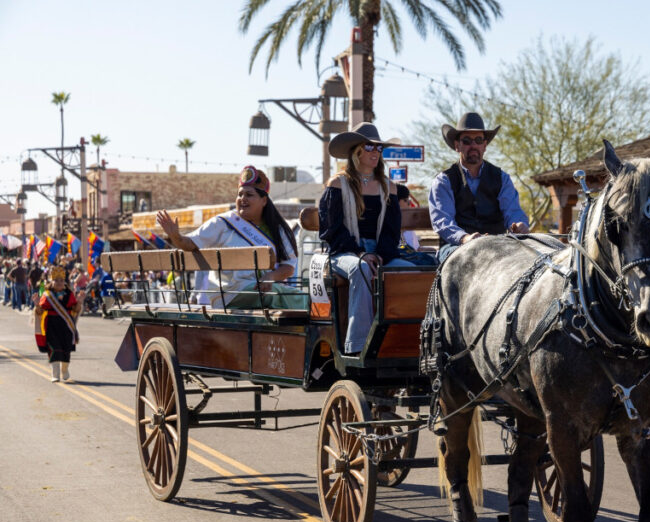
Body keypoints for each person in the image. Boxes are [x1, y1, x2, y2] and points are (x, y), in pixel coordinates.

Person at [318, 122, 416, 355]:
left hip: (382, 253)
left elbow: (391, 233)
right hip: (343, 254)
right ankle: (358, 346)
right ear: (357, 151)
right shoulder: (337, 184)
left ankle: (407, 341)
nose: (376, 152)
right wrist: (362, 253)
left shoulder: (388, 187)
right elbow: (331, 231)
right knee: (361, 268)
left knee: (410, 271)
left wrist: (379, 254)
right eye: (370, 146)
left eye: (379, 148)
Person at [157, 166, 302, 309]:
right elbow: (190, 243)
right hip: (229, 293)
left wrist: (270, 277)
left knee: (300, 297)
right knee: (290, 297)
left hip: (261, 291)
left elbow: (288, 266)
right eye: (240, 194)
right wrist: (176, 236)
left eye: (249, 195)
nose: (242, 199)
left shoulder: (277, 229)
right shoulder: (224, 223)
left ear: (264, 201)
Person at [428, 112, 529, 263]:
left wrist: (520, 225)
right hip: (455, 248)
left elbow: (513, 211)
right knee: (469, 259)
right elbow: (443, 222)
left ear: (485, 145)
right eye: (467, 141)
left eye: (478, 140)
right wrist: (465, 238)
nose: (473, 145)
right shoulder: (444, 181)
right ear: (457, 146)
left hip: (496, 246)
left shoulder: (502, 178)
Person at [33, 266, 81, 382]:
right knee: (54, 349)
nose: (59, 282)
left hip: (66, 326)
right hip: (52, 325)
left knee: (66, 350)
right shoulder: (47, 295)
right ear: (51, 281)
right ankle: (55, 374)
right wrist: (36, 304)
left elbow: (75, 309)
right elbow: (40, 312)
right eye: (56, 280)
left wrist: (80, 301)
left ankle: (64, 370)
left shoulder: (69, 294)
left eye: (61, 280)